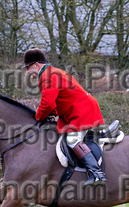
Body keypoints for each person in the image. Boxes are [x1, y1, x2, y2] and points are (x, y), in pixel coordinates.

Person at [23, 48, 107, 186]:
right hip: (78, 109)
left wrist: (37, 118)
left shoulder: (48, 76)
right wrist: (53, 115)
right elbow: (58, 100)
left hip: (82, 111)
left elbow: (47, 103)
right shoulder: (52, 72)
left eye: (28, 68)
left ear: (36, 65)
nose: (27, 72)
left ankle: (96, 173)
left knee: (73, 140)